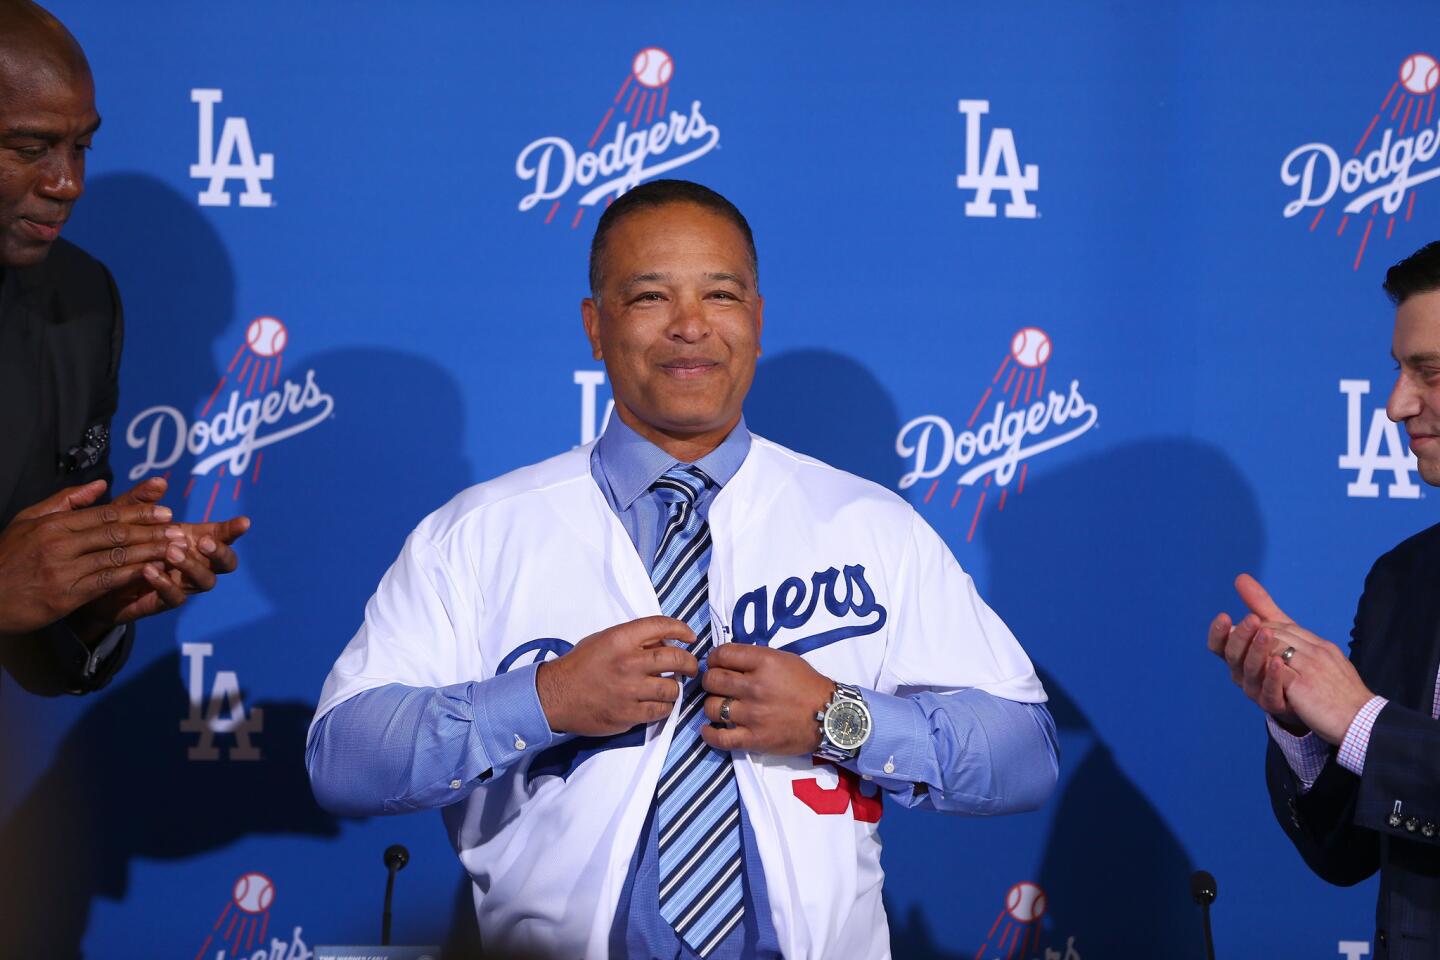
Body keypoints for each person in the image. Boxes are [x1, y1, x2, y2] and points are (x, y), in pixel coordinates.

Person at [307, 179, 1058, 959]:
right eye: (651, 297)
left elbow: (1023, 750)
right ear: (595, 326)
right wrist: (546, 698)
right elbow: (342, 756)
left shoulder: (867, 523)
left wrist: (839, 718)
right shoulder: (478, 532)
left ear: (758, 321)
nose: (691, 327)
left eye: (721, 295)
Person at [0, 0, 247, 695]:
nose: (66, 183)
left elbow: (33, 646)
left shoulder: (82, 301)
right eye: (29, 149)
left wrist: (94, 604)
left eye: (80, 147)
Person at [1208, 240, 1440, 959]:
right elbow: (1347, 857)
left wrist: (1362, 719)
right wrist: (1304, 724)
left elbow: (1377, 733)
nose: (1397, 403)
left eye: (1428, 372)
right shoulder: (1403, 581)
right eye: (1398, 371)